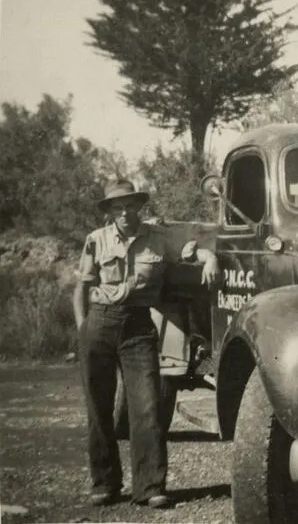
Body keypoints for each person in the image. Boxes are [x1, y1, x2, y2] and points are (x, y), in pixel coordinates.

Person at [72, 179, 219, 508]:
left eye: (130, 206)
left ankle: (150, 487)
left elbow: (195, 247)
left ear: (139, 207)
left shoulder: (159, 238)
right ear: (110, 211)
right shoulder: (96, 240)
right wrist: (83, 328)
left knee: (148, 407)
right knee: (99, 408)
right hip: (99, 322)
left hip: (139, 326)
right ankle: (105, 484)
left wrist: (209, 259)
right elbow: (81, 287)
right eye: (117, 207)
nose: (125, 212)